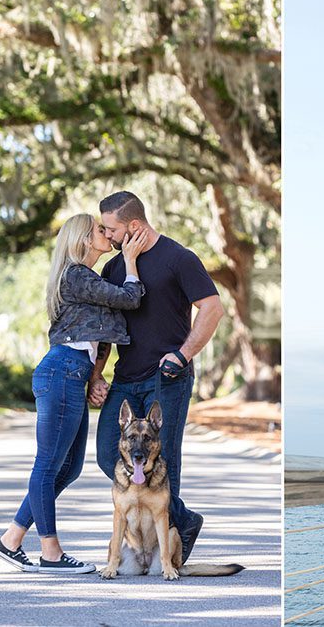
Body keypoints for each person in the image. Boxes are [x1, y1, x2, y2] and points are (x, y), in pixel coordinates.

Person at [0, 214, 148, 574]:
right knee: (47, 466)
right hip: (61, 370)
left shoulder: (84, 277)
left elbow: (93, 338)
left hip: (72, 372)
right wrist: (132, 262)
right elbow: (130, 297)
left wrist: (94, 377)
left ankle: (11, 539)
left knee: (69, 468)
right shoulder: (77, 273)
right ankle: (51, 553)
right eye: (99, 231)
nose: (107, 234)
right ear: (82, 240)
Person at [90, 191, 224, 564]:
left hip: (169, 376)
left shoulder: (179, 258)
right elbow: (107, 327)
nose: (107, 234)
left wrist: (183, 354)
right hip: (125, 378)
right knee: (106, 453)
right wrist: (96, 374)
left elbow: (213, 309)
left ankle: (168, 546)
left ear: (133, 225)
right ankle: (183, 518)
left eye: (111, 228)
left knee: (167, 459)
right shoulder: (115, 269)